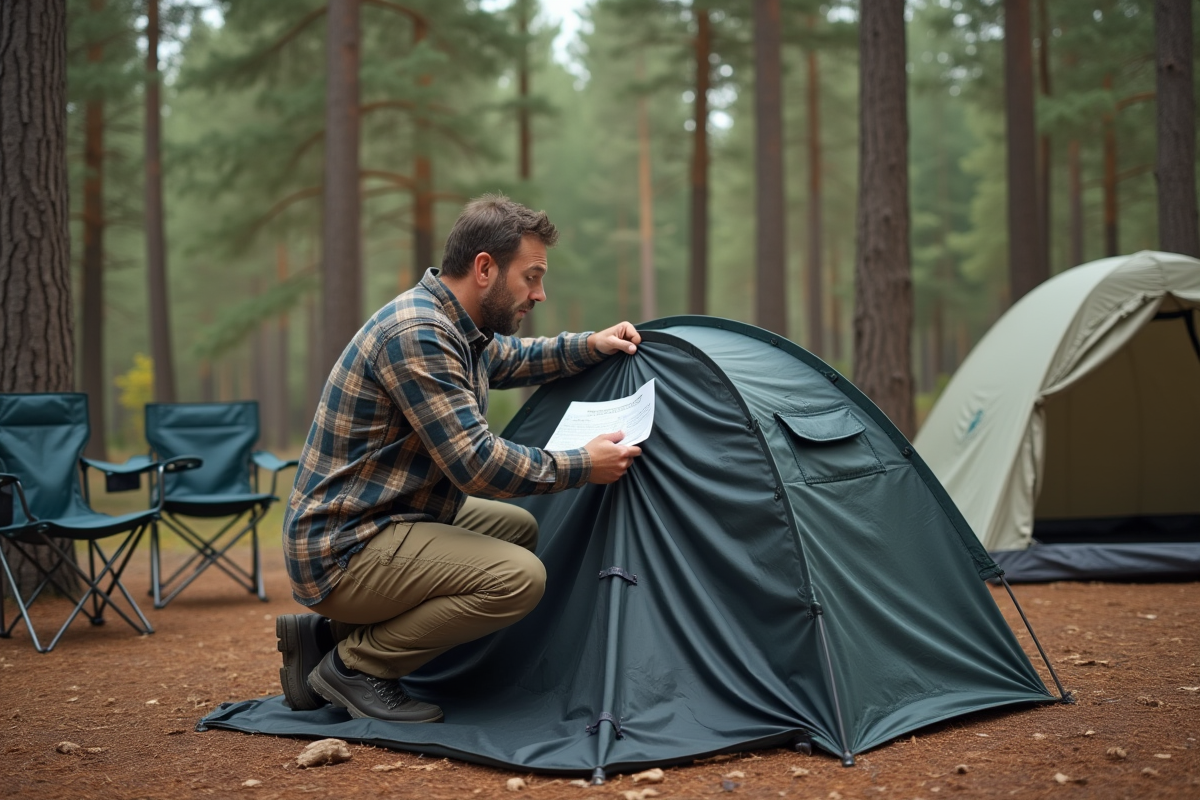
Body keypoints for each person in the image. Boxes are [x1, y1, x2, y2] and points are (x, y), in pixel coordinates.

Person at [277, 194, 643, 723]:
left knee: (515, 531)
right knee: (517, 578)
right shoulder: (418, 334)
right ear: (485, 268)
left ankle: (328, 638)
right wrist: (583, 463)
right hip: (342, 546)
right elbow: (478, 466)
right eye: (531, 277)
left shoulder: (456, 326)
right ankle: (357, 666)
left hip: (387, 515)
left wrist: (591, 344)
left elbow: (512, 358)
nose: (539, 294)